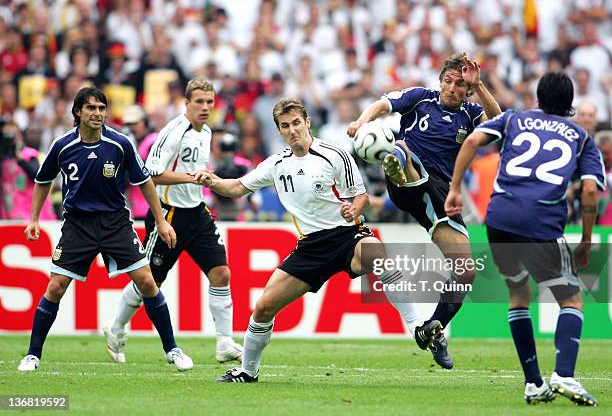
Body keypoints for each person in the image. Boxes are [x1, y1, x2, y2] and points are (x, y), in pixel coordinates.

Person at [195, 99, 425, 383]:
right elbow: (238, 186)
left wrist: (354, 208)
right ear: (279, 131)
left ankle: (417, 327)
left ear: (307, 122)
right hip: (310, 248)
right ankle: (248, 371)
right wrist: (212, 181)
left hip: (346, 235)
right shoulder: (277, 164)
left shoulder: (335, 154)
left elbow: (361, 196)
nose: (292, 130)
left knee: (378, 254)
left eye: (296, 123)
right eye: (285, 126)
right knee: (264, 308)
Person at [445, 72, 603, 406]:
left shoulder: (514, 118)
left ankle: (533, 384)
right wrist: (586, 239)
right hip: (541, 224)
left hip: (499, 220)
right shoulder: (582, 137)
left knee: (518, 295)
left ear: (538, 97)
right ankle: (564, 374)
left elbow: (472, 141)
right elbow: (590, 191)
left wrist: (455, 188)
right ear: (570, 104)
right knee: (571, 300)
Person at [17, 87, 193, 372]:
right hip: (78, 225)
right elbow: (43, 180)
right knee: (55, 286)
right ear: (77, 112)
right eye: (91, 108)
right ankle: (32, 355)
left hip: (115, 223)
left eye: (101, 108)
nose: (97, 113)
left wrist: (161, 221)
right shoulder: (63, 146)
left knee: (147, 282)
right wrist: (34, 219)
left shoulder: (120, 143)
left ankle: (173, 350)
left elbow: (145, 182)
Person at [346, 52, 502, 368]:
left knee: (466, 270)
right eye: (448, 81)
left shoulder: (471, 113)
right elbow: (383, 104)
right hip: (409, 181)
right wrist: (362, 122)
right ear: (440, 79)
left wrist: (480, 85)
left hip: (443, 195)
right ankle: (395, 165)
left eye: (460, 85)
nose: (453, 88)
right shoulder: (420, 99)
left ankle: (433, 329)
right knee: (402, 149)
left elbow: (498, 119)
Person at [104, 78, 243, 364]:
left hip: (197, 212)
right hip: (168, 214)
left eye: (209, 102)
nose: (205, 107)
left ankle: (224, 341)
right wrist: (191, 180)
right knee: (150, 281)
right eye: (199, 102)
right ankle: (115, 327)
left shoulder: (206, 132)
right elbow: (150, 173)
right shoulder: (173, 132)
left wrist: (204, 181)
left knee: (221, 273)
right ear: (187, 103)